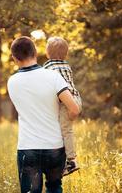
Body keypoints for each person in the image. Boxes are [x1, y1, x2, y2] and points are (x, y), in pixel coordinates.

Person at [7, 36, 80, 193]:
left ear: (14, 58)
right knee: (54, 188)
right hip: (55, 147)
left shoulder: (12, 82)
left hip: (28, 148)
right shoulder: (54, 77)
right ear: (35, 52)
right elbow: (74, 109)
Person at [44, 37, 82, 176]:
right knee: (66, 129)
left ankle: (71, 161)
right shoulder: (67, 66)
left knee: (66, 131)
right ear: (65, 54)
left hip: (67, 102)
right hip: (76, 98)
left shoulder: (48, 67)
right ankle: (67, 159)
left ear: (47, 53)